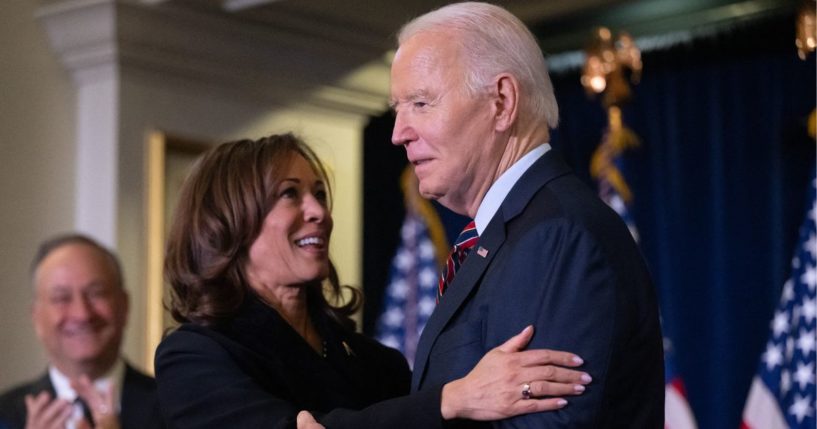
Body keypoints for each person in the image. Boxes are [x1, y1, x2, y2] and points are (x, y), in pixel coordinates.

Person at [154, 133, 591, 429]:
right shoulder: (194, 357)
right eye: (290, 195)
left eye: (319, 195)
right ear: (229, 222)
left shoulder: (376, 363)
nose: (319, 213)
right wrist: (450, 400)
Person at [384, 2, 665, 427]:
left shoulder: (555, 238)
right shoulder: (513, 233)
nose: (398, 133)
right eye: (397, 109)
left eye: (421, 103)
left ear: (501, 101)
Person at [0, 234, 164, 429]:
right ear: (36, 317)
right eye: (62, 298)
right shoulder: (5, 415)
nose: (82, 314)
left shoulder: (173, 406)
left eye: (96, 294)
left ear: (124, 306)